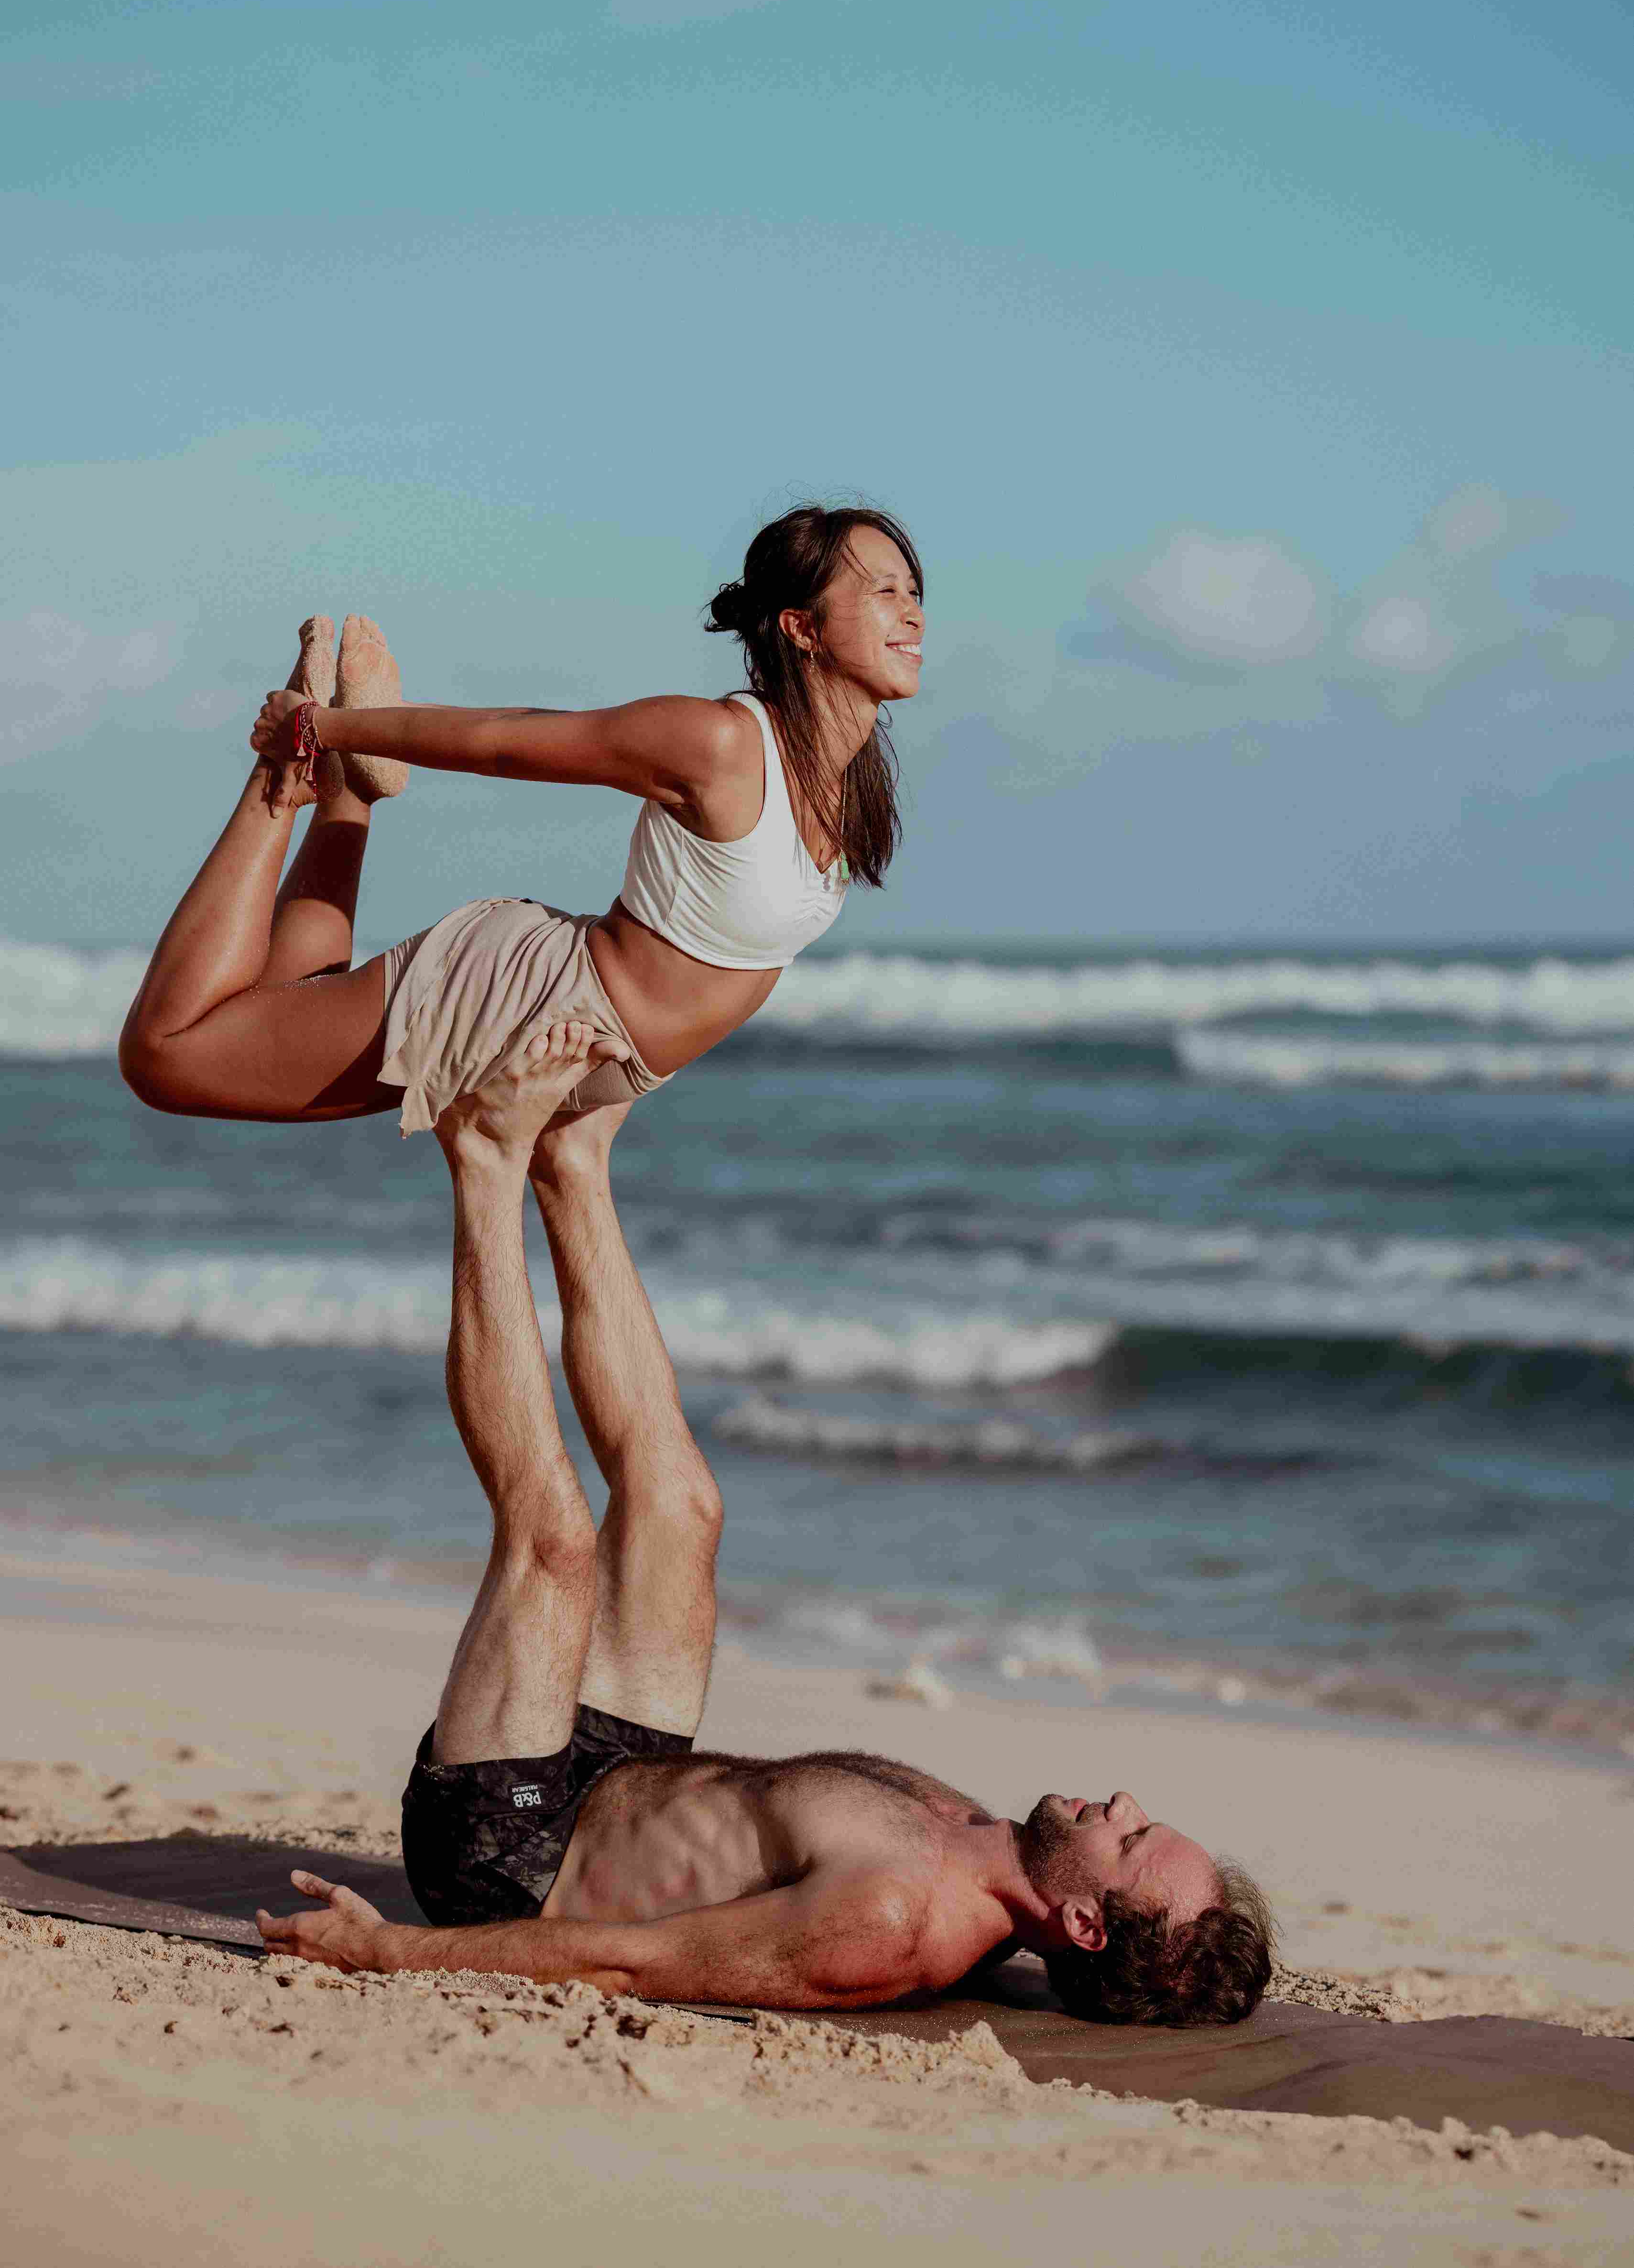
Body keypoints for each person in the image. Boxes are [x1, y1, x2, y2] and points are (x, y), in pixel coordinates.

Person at [258, 1032, 1275, 2026]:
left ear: (1085, 1924)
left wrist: (390, 1949)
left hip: (509, 1856)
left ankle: (482, 1156)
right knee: (680, 1506)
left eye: (1134, 1839)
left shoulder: (889, 1922)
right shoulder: (987, 1841)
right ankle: (572, 1160)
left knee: (554, 1542)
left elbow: (629, 1964)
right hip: (612, 1771)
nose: (1127, 1801)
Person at [118, 505, 925, 1139]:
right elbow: (505, 740)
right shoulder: (719, 743)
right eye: (883, 590)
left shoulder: (849, 784)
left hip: (580, 1042)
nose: (912, 612)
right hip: (531, 1005)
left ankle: (348, 794)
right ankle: (286, 766)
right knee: (168, 1057)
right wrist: (319, 729)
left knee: (294, 1003)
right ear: (802, 627)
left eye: (913, 591)